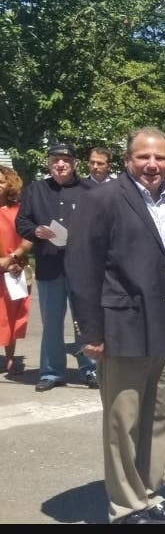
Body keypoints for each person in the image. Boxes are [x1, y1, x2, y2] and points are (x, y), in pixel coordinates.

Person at [67, 127, 165, 524]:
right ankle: (126, 505)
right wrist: (90, 333)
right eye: (143, 157)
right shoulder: (103, 199)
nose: (152, 165)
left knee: (159, 415)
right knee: (123, 420)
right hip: (122, 325)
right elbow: (81, 266)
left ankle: (150, 492)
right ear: (128, 161)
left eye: (160, 157)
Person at [15, 141, 99, 391]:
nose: (60, 164)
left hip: (83, 267)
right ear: (48, 163)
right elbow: (22, 222)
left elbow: (102, 224)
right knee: (51, 322)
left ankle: (90, 368)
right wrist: (36, 231)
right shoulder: (35, 190)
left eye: (65, 160)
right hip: (50, 265)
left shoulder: (89, 190)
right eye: (55, 160)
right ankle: (51, 372)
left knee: (84, 321)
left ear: (74, 164)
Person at [0, 167, 33, 376]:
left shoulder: (18, 211)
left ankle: (10, 358)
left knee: (11, 316)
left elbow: (28, 237)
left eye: (2, 181)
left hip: (13, 270)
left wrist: (13, 258)